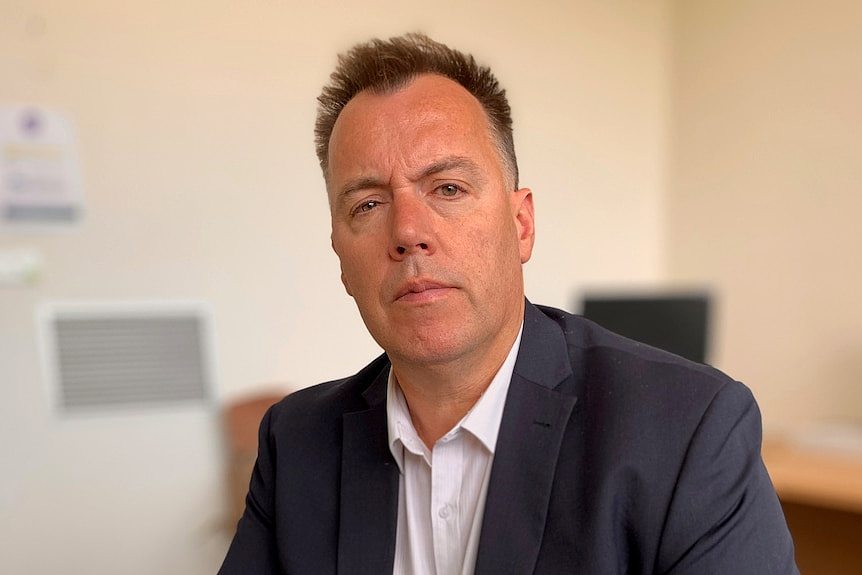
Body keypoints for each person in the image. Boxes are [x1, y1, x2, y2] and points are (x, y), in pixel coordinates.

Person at [219, 33, 798, 574]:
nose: (408, 232)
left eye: (447, 188)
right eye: (368, 205)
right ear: (341, 258)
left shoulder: (689, 429)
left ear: (521, 225)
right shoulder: (294, 444)